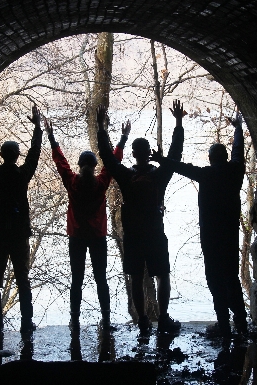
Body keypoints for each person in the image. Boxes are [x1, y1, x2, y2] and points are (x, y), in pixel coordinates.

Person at [153, 111, 248, 338]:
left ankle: (223, 324)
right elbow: (238, 150)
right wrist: (237, 128)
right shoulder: (235, 171)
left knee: (215, 279)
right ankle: (241, 321)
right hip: (230, 235)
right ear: (224, 157)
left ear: (210, 159)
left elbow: (180, 167)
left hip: (210, 237)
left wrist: (160, 159)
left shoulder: (205, 175)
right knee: (232, 277)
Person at [97, 101, 185, 334]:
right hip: (155, 233)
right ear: (150, 154)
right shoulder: (159, 176)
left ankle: (143, 321)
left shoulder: (126, 177)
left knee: (136, 277)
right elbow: (176, 154)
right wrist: (178, 123)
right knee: (162, 275)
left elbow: (107, 157)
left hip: (134, 235)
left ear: (134, 155)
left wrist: (100, 128)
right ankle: (163, 317)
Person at [44, 115, 130, 331]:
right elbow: (112, 163)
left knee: (77, 280)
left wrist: (51, 136)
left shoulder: (72, 183)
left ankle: (74, 319)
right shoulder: (100, 184)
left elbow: (60, 162)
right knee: (101, 279)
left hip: (77, 238)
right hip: (98, 238)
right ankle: (107, 318)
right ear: (94, 166)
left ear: (80, 165)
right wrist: (122, 139)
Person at [0, 103, 42, 333]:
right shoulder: (22, 175)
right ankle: (26, 322)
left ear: (1, 155)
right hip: (19, 234)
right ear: (17, 156)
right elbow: (34, 154)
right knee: (22, 278)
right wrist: (37, 128)